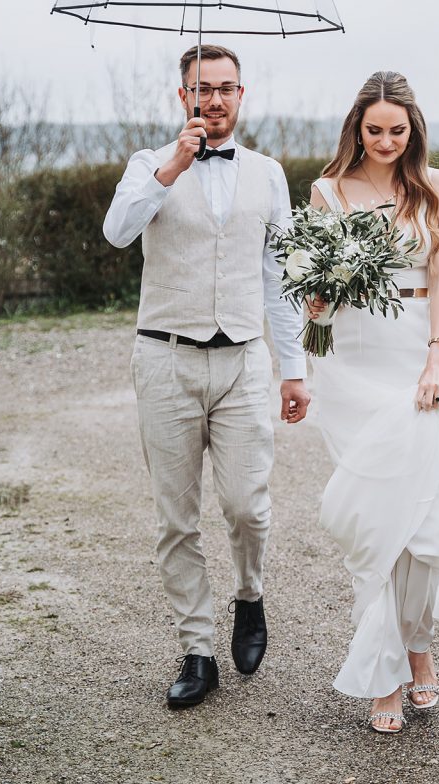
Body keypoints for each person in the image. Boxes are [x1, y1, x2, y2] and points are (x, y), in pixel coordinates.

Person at [103, 44, 310, 710]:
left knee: (247, 505)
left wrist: (293, 369)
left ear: (241, 96)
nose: (213, 99)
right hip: (165, 356)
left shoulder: (268, 174)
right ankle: (197, 649)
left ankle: (249, 597)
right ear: (181, 96)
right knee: (176, 518)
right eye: (201, 89)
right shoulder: (147, 166)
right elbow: (116, 232)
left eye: (225, 88)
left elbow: (278, 277)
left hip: (243, 360)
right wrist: (172, 168)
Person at [306, 71, 439, 735]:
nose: (383, 140)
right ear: (356, 128)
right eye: (373, 129)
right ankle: (384, 673)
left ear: (413, 131)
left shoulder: (433, 186)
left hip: (414, 354)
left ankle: (415, 647)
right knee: (379, 516)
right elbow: (315, 293)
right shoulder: (327, 191)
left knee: (422, 512)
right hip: (350, 362)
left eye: (395, 130)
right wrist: (315, 301)